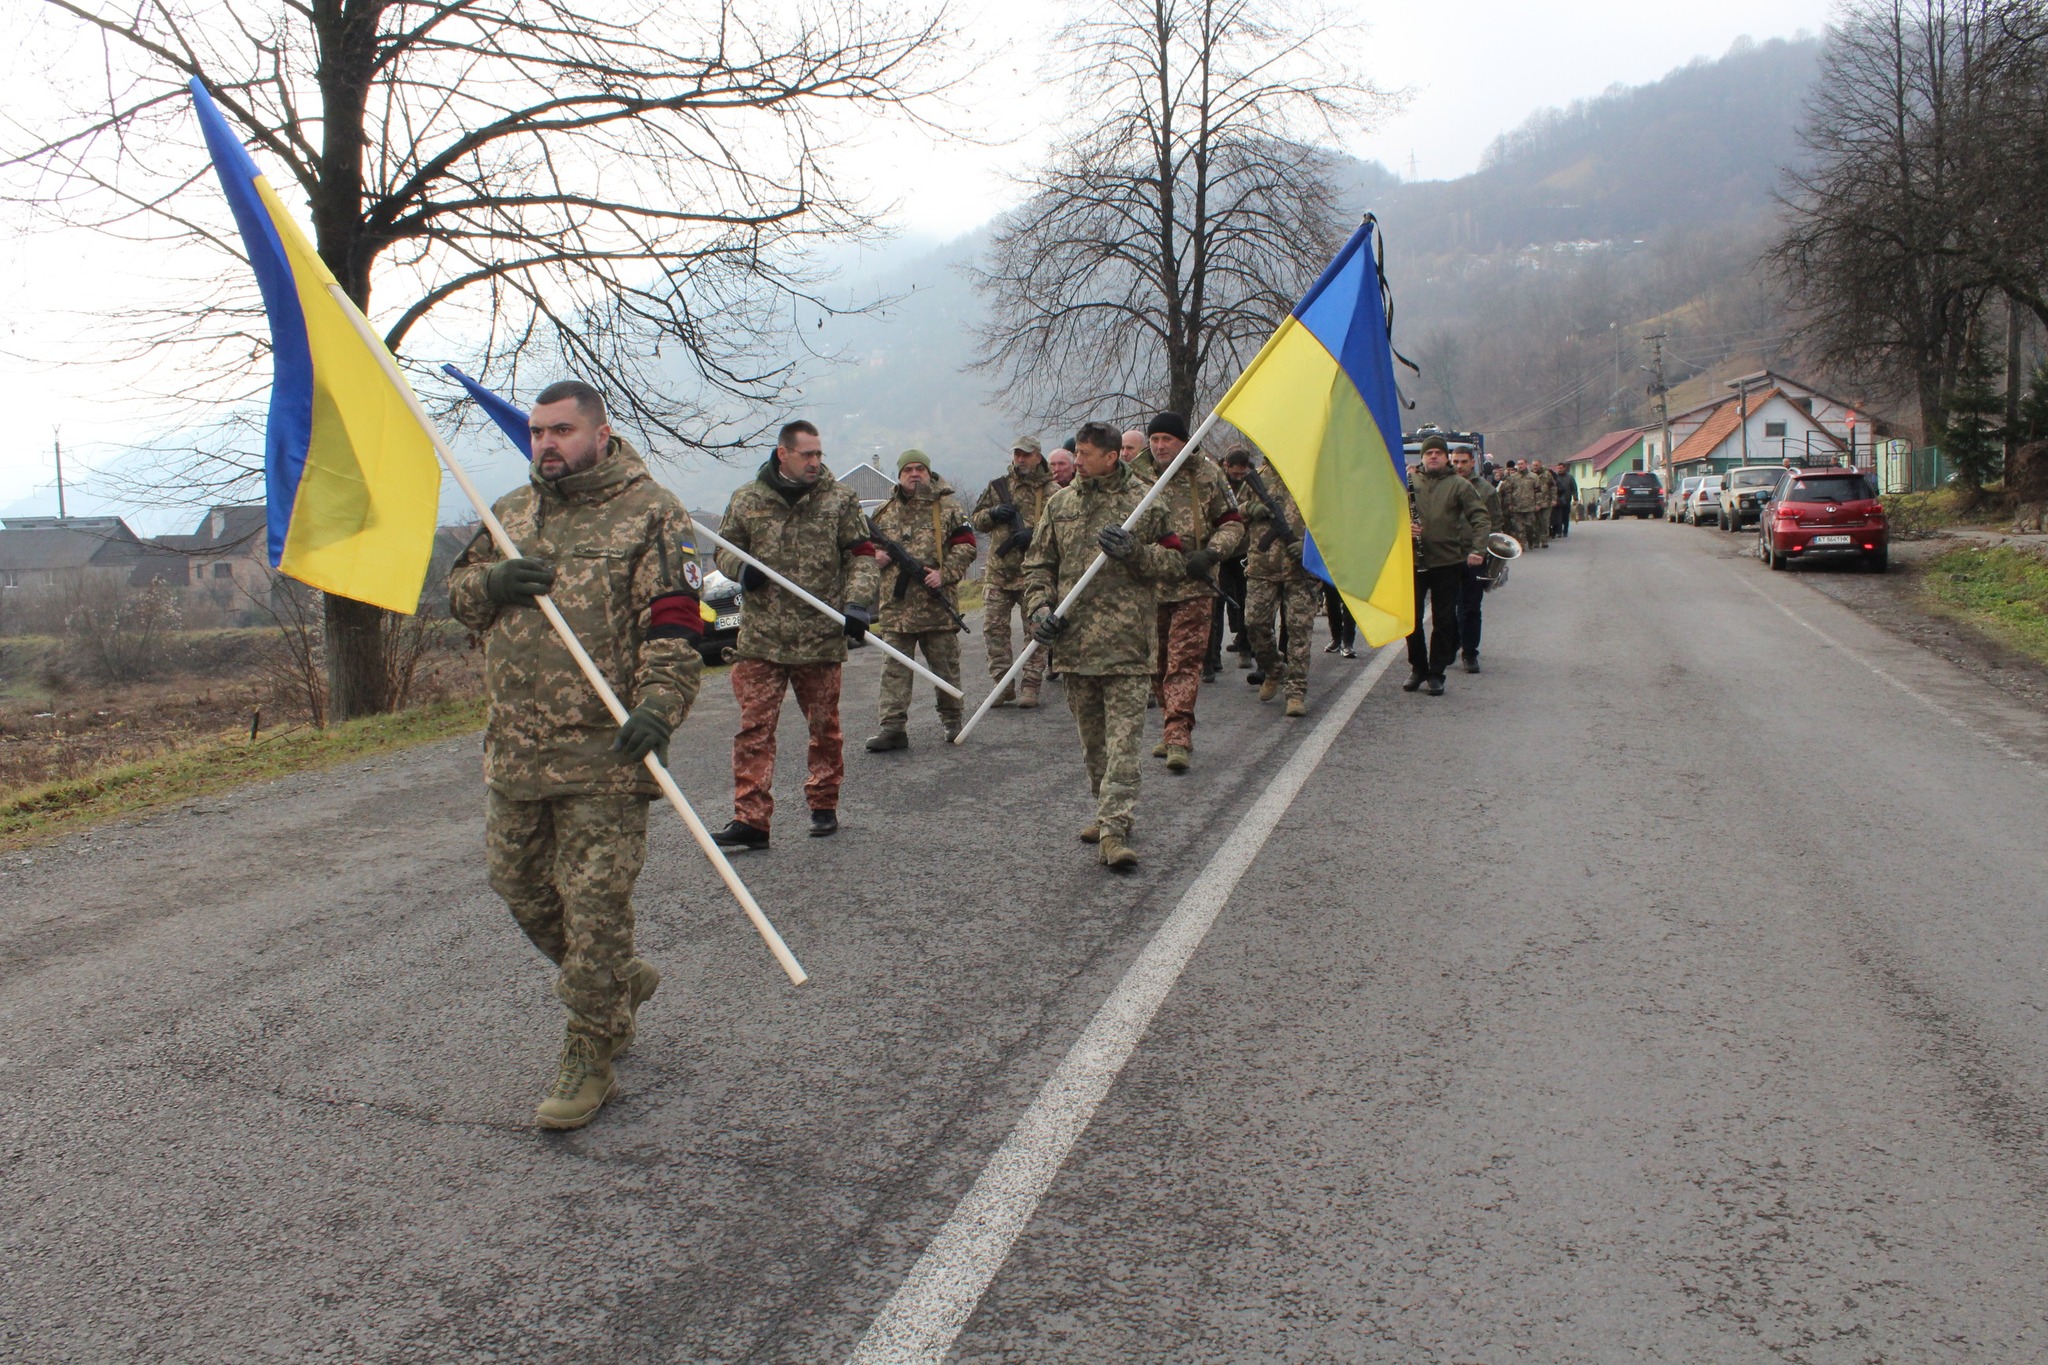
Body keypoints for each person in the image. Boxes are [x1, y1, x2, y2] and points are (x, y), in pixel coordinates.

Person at [448, 379, 705, 1131]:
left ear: (598, 433)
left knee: (594, 910)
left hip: (606, 753)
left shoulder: (651, 512)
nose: (546, 445)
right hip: (517, 753)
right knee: (521, 889)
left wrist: (660, 706)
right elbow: (459, 592)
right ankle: (618, 979)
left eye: (561, 430)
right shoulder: (512, 512)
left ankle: (593, 1043)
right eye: (536, 433)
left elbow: (678, 622)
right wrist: (492, 579)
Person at [1023, 421, 1187, 870]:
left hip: (1127, 646)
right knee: (1093, 745)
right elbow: (1038, 566)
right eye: (1076, 452)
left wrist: (1135, 551)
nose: (1077, 461)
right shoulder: (1060, 504)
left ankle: (1115, 829)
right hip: (1074, 648)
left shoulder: (1146, 501)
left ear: (1113, 456)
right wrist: (1040, 610)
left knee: (1123, 745)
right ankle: (1106, 806)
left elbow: (1175, 563)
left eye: (1086, 453)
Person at [711, 420, 881, 852]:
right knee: (753, 731)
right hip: (761, 639)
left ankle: (823, 804)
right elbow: (723, 547)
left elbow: (860, 554)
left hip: (819, 635)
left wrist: (858, 603)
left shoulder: (838, 499)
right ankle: (750, 820)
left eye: (819, 454)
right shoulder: (747, 499)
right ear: (783, 454)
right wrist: (741, 570)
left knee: (824, 729)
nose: (815, 462)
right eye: (807, 454)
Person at [1140, 411, 1245, 772]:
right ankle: (1169, 724)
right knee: (1155, 664)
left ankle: (1178, 735)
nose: (1159, 445)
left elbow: (1232, 524)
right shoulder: (1138, 477)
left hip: (1194, 585)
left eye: (1166, 439)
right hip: (1150, 586)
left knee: (1184, 663)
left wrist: (1212, 553)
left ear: (1183, 441)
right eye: (1154, 439)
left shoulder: (1208, 474)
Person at [865, 450, 977, 752]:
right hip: (896, 609)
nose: (915, 474)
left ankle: (954, 722)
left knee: (945, 669)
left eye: (920, 469)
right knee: (894, 670)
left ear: (929, 473)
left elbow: (966, 547)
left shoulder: (948, 508)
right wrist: (878, 557)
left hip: (936, 607)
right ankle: (892, 728)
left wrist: (945, 574)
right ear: (899, 476)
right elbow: (863, 553)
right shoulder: (883, 513)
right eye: (908, 470)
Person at [971, 435, 1057, 708]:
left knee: (1036, 631)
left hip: (1034, 573)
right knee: (994, 629)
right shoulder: (999, 486)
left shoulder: (1053, 491)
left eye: (1026, 455)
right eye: (1017, 454)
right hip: (999, 573)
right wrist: (994, 513)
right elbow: (977, 520)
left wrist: (1035, 535)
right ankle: (1002, 684)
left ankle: (1030, 685)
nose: (1020, 460)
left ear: (1037, 456)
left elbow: (1061, 532)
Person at [1404, 435, 1487, 696]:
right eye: (1429, 453)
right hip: (1413, 561)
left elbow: (1480, 517)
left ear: (1446, 457)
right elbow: (1384, 513)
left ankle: (1436, 673)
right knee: (1411, 620)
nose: (1434, 457)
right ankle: (1418, 667)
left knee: (1444, 620)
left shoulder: (1458, 485)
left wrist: (1478, 549)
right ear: (1422, 457)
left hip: (1447, 561)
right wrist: (1404, 527)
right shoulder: (1408, 482)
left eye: (1439, 453)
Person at [1240, 460, 1319, 717]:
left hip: (1300, 569)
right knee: (1255, 623)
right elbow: (1232, 512)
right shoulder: (1257, 478)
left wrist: (1309, 546)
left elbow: (1330, 520)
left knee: (1299, 632)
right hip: (1262, 567)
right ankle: (1274, 668)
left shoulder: (1311, 477)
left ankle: (1295, 691)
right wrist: (1249, 508)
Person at [1208, 447, 1254, 678]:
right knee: (1216, 603)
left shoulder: (1252, 482)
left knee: (1245, 601)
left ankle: (1245, 647)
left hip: (1242, 550)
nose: (1238, 477)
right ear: (1226, 465)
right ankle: (1212, 657)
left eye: (1241, 474)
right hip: (1218, 549)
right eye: (1235, 474)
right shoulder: (1214, 479)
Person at [1451, 445, 1498, 674]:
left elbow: (1496, 525)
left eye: (1463, 462)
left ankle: (1470, 653)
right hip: (1447, 555)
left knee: (1470, 608)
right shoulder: (1445, 486)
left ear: (1472, 463)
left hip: (1474, 557)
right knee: (1448, 607)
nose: (1459, 466)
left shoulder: (1487, 490)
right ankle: (1450, 646)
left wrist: (1486, 554)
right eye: (1456, 462)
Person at [1551, 461, 1579, 537]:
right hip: (1558, 500)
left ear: (1564, 468)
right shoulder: (1555, 477)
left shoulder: (1570, 477)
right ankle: (1558, 531)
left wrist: (1575, 498)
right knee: (1558, 516)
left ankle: (1565, 530)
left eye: (1561, 468)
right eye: (1558, 468)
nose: (1559, 470)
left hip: (1567, 499)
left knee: (1565, 515)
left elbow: (1574, 488)